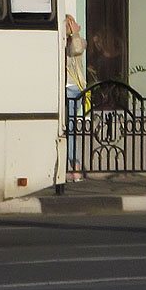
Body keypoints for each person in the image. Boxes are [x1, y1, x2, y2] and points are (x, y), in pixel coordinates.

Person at [65, 14, 88, 181]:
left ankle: (76, 167)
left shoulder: (77, 42)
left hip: (72, 90)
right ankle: (71, 166)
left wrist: (75, 35)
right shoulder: (58, 43)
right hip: (63, 91)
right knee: (66, 130)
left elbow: (77, 49)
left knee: (70, 130)